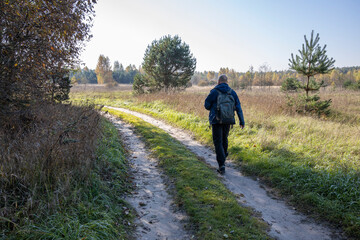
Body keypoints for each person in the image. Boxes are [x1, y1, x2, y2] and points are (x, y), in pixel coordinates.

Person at [204, 74, 245, 174]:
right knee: (224, 139)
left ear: (218, 81)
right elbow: (238, 107)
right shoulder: (232, 92)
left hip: (216, 120)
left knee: (218, 141)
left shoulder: (214, 92)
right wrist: (241, 121)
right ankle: (223, 155)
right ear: (227, 82)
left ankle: (221, 165)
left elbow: (206, 105)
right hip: (228, 119)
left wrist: (214, 108)